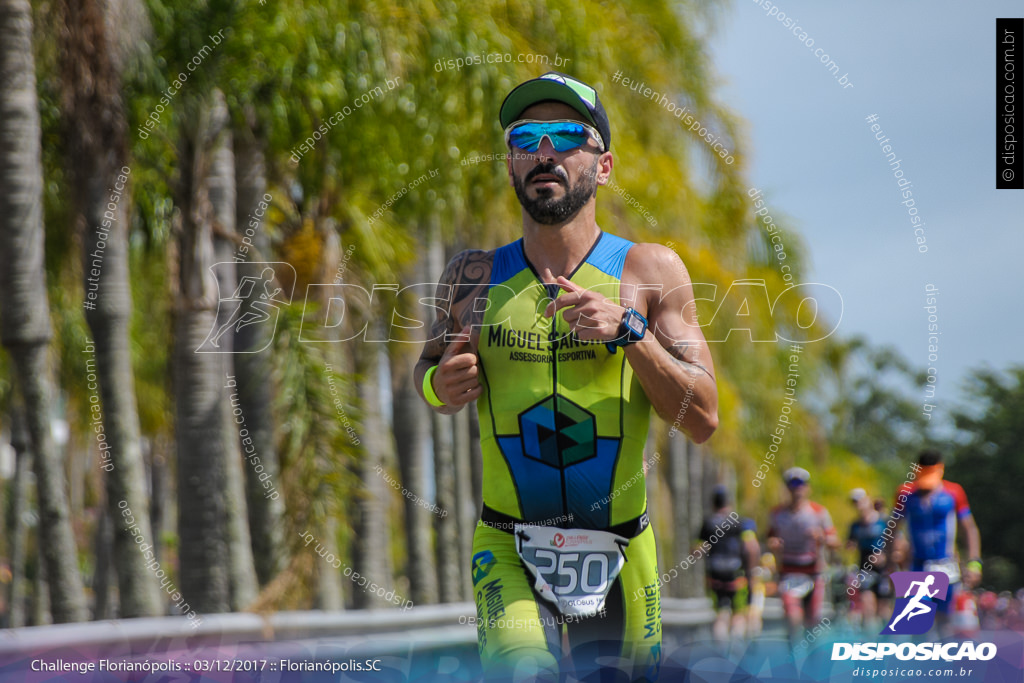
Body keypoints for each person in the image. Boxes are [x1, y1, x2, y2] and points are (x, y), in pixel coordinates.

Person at [415, 71, 718, 682]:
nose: (543, 152)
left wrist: (630, 330)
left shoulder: (649, 270)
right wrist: (438, 387)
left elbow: (704, 417)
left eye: (564, 135)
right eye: (526, 138)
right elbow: (428, 371)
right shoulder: (472, 274)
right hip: (508, 546)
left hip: (621, 553)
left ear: (602, 166)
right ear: (510, 165)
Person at [894, 449, 982, 635]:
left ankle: (942, 661)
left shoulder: (953, 492)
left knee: (945, 622)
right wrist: (888, 561)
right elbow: (892, 529)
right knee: (915, 621)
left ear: (940, 470)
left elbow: (969, 528)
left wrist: (974, 563)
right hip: (917, 564)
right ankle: (919, 661)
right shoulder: (905, 493)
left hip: (945, 563)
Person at [767, 467, 839, 643]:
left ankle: (812, 664)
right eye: (792, 485)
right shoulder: (777, 514)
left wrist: (821, 537)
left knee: (812, 622)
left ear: (808, 488)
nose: (797, 489)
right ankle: (793, 659)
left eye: (801, 485)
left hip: (813, 573)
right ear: (787, 488)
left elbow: (835, 542)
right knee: (793, 618)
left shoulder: (819, 512)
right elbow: (769, 537)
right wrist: (773, 543)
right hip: (788, 572)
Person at [699, 485, 760, 642]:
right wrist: (751, 573)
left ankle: (720, 650)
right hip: (736, 573)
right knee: (738, 612)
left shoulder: (708, 524)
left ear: (713, 504)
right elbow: (751, 547)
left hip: (715, 574)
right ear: (729, 503)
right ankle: (736, 647)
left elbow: (697, 549)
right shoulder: (741, 522)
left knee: (720, 613)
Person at [846, 488, 892, 631]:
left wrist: (885, 556)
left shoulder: (884, 520)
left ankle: (888, 641)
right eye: (855, 502)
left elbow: (897, 543)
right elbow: (850, 543)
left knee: (883, 609)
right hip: (865, 567)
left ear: (868, 499)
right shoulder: (855, 525)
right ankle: (869, 640)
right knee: (867, 604)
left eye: (860, 501)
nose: (858, 505)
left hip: (884, 568)